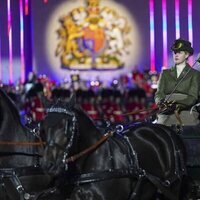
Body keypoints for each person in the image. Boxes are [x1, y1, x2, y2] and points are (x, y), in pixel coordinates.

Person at [155, 38, 200, 126]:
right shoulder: (165, 73)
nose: (176, 55)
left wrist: (177, 104)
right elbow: (159, 93)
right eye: (175, 52)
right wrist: (160, 102)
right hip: (165, 113)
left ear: (187, 54)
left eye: (180, 52)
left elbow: (193, 97)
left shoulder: (195, 74)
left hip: (186, 113)